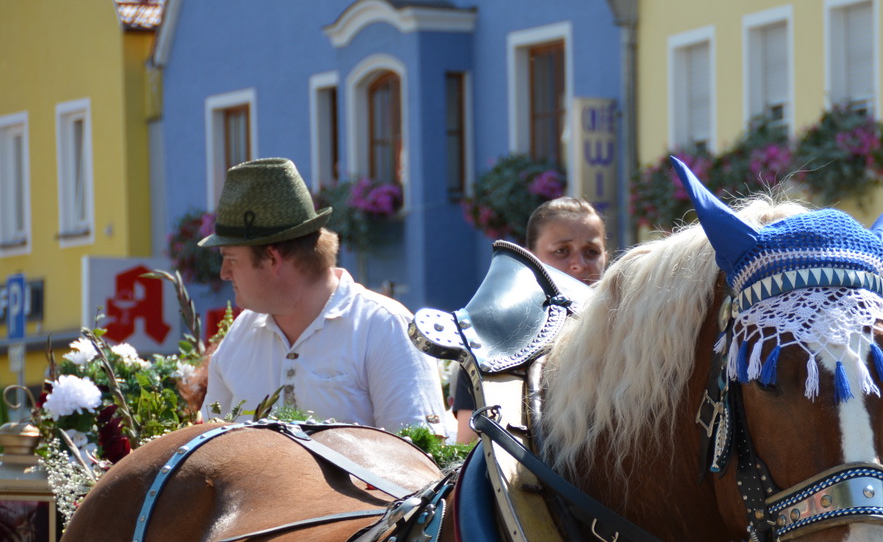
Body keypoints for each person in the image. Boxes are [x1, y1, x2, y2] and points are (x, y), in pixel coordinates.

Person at [197, 158, 446, 433]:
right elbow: (209, 449)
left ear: (272, 258)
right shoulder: (240, 337)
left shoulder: (384, 327)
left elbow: (419, 460)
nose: (223, 273)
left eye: (231, 259)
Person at [453, 197, 609, 442]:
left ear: (605, 256)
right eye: (561, 251)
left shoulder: (626, 334)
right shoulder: (489, 337)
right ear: (531, 257)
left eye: (591, 252)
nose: (578, 264)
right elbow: (469, 444)